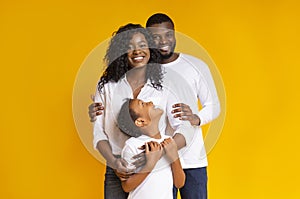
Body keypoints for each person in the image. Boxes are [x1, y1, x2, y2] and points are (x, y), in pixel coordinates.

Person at [90, 13, 221, 199]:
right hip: (118, 166)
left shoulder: (164, 83)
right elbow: (99, 132)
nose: (138, 51)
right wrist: (115, 161)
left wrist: (159, 154)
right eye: (130, 47)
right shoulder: (107, 86)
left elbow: (184, 125)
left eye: (143, 45)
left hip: (162, 165)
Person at [117, 98, 185, 199]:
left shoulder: (169, 142)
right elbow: (127, 186)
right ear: (140, 121)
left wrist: (175, 158)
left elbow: (179, 183)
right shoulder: (132, 145)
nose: (151, 102)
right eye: (143, 104)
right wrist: (150, 164)